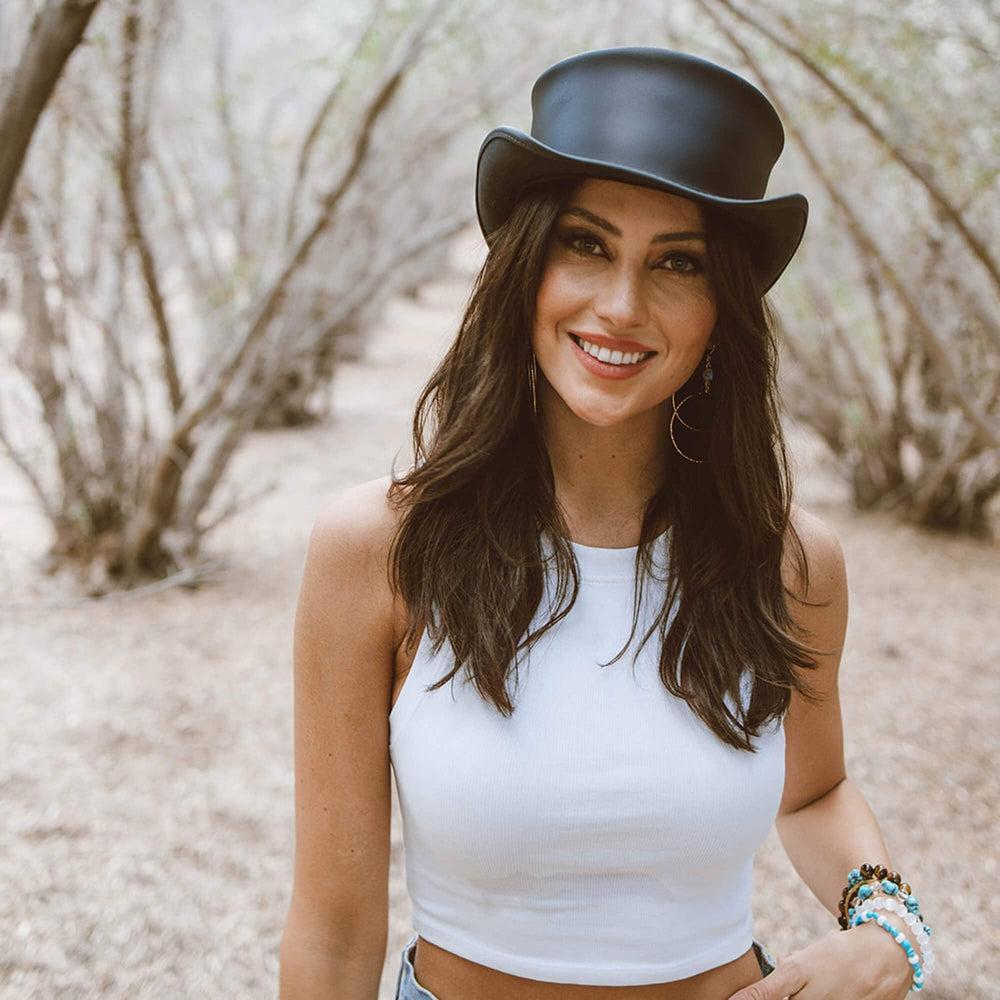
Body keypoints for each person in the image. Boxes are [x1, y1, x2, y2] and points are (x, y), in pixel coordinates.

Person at [279, 47, 935, 1000]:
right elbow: (334, 939)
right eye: (586, 244)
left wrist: (889, 924)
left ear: (724, 311)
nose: (621, 307)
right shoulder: (380, 550)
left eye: (678, 263)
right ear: (525, 266)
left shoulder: (791, 565)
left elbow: (814, 790)